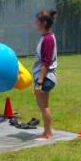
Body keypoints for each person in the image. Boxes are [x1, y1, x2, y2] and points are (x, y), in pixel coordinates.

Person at [33, 10, 57, 140]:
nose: (35, 23)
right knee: (42, 106)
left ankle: (48, 134)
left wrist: (40, 82)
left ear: (44, 23)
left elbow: (46, 63)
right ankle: (46, 131)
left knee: (44, 106)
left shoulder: (48, 39)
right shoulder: (46, 37)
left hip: (45, 78)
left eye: (37, 21)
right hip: (44, 77)